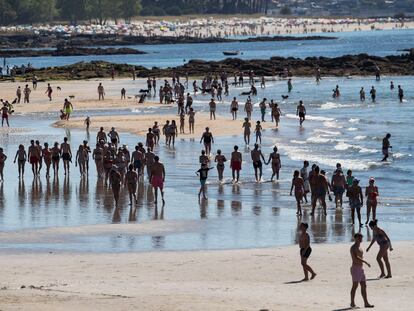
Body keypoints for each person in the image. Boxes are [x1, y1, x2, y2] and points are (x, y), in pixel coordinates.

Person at [350, 233, 374, 309]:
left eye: (361, 238)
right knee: (355, 286)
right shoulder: (353, 247)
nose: (361, 239)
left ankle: (366, 303)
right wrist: (365, 262)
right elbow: (356, 257)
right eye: (359, 237)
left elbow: (359, 256)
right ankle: (352, 303)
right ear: (355, 238)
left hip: (361, 268)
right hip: (355, 268)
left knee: (364, 285)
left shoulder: (359, 247)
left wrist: (363, 263)